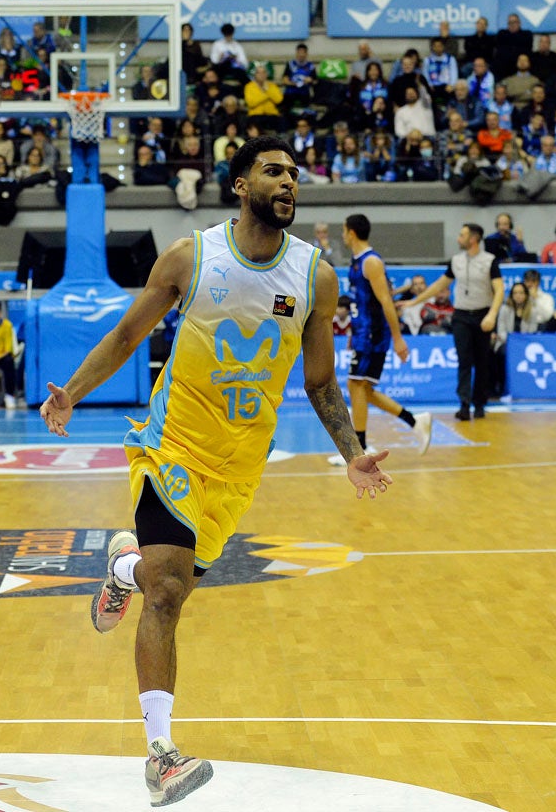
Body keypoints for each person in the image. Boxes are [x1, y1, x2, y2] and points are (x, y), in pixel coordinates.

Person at [39, 135, 393, 807]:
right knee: (168, 593)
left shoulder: (315, 275)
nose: (287, 181)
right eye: (272, 171)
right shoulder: (190, 256)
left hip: (237, 470)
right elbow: (126, 335)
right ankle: (161, 754)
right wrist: (73, 392)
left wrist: (351, 453)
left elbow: (320, 383)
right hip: (171, 447)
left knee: (166, 582)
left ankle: (121, 570)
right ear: (238, 184)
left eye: (293, 174)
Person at [327, 214, 432, 466]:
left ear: (351, 232)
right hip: (363, 333)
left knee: (356, 385)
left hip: (373, 334)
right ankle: (415, 421)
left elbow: (386, 302)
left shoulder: (371, 262)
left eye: (343, 230)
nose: (342, 235)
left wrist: (398, 338)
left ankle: (360, 448)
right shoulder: (357, 261)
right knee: (364, 390)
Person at [397, 224, 503, 420]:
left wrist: (492, 314)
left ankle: (479, 403)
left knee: (482, 361)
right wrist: (414, 301)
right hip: (461, 315)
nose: (458, 238)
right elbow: (439, 284)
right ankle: (464, 404)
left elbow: (499, 290)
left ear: (474, 238)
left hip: (483, 315)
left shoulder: (490, 261)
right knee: (464, 360)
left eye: (462, 234)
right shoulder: (456, 261)